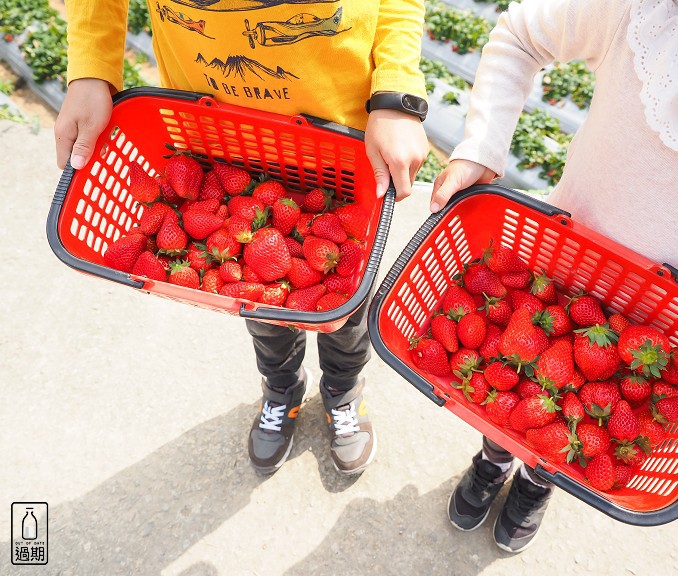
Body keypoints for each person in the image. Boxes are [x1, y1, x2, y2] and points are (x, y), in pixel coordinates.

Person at [429, 0, 678, 554]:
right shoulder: (645, 11)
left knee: (571, 427)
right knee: (522, 393)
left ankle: (542, 478)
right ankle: (495, 456)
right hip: (561, 281)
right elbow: (520, 34)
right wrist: (484, 146)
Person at [54, 0, 430, 476]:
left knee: (345, 303)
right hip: (217, 135)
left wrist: (397, 91)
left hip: (337, 136)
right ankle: (282, 385)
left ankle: (342, 387)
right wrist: (91, 66)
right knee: (260, 305)